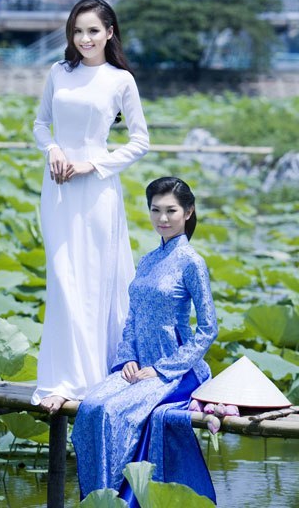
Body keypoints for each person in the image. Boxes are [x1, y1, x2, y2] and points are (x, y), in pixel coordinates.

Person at [31, 0, 149, 414]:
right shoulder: (58, 73)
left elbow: (140, 141)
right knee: (63, 280)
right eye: (78, 31)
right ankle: (63, 380)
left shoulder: (120, 80)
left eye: (93, 31)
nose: (84, 38)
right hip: (58, 190)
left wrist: (92, 164)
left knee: (96, 282)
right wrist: (53, 150)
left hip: (97, 189)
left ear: (109, 33)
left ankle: (95, 378)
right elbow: (40, 124)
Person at [71, 176, 218, 505]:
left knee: (115, 413)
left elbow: (208, 328)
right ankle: (95, 498)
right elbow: (133, 318)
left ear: (188, 212)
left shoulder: (192, 262)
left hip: (176, 371)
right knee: (91, 407)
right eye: (155, 210)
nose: (162, 218)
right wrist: (128, 358)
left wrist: (163, 369)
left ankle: (124, 499)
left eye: (171, 211)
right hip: (137, 367)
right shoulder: (148, 260)